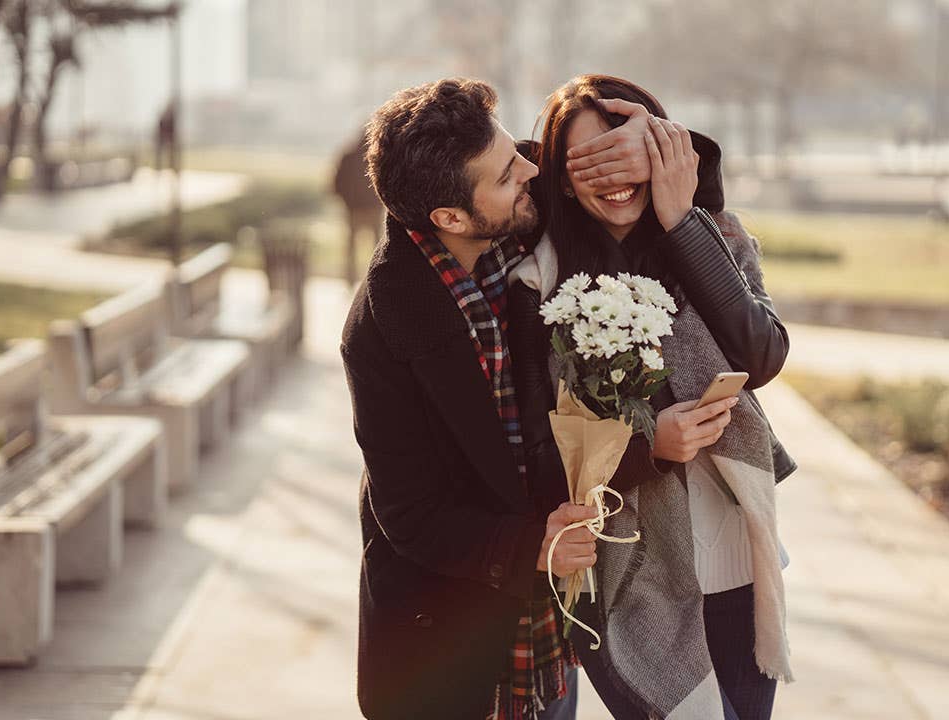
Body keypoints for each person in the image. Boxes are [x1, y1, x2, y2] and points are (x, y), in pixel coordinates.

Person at [342, 77, 653, 720]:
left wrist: (657, 140)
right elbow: (410, 514)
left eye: (517, 153)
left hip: (544, 631)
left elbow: (606, 176)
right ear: (450, 217)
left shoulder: (504, 230)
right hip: (445, 651)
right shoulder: (383, 326)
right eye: (508, 174)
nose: (530, 171)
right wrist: (532, 547)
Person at [508, 75, 796, 720]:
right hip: (628, 572)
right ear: (559, 175)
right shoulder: (539, 279)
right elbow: (533, 451)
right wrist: (648, 448)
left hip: (735, 559)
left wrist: (680, 217)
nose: (615, 176)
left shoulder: (713, 237)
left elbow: (763, 355)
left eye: (629, 153)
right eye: (588, 161)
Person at [332, 134, 385, 286]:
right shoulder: (376, 156)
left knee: (351, 248)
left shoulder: (347, 156)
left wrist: (347, 201)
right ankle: (376, 280)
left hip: (353, 210)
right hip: (372, 210)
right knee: (378, 248)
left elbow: (336, 183)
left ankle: (350, 280)